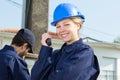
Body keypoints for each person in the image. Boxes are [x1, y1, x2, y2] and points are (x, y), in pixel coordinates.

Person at [31, 3, 100, 80]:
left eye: (66, 24)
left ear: (78, 25)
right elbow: (35, 77)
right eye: (58, 26)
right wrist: (46, 49)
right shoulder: (55, 55)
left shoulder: (84, 53)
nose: (61, 30)